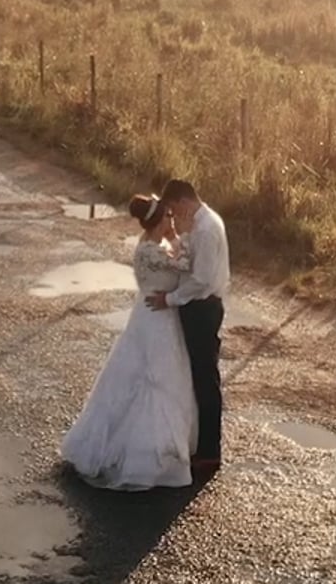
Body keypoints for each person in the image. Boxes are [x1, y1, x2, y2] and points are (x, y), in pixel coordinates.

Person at [60, 194, 198, 490]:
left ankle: (162, 447)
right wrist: (180, 238)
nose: (171, 222)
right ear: (158, 221)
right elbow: (186, 265)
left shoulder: (150, 246)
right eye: (168, 218)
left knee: (152, 377)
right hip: (155, 319)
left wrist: (171, 238)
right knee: (154, 379)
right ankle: (145, 454)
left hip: (153, 315)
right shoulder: (151, 251)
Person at [145, 178, 229, 479]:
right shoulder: (202, 223)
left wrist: (171, 299)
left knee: (205, 378)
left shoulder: (206, 229)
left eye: (173, 209)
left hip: (202, 308)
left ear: (182, 202)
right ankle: (202, 445)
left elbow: (201, 280)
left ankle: (209, 452)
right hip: (202, 306)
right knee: (199, 375)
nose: (174, 215)